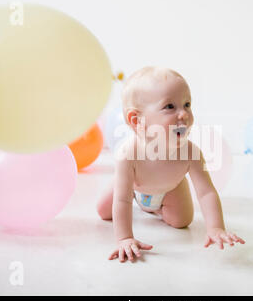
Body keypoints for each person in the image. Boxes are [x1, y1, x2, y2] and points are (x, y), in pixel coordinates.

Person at [97, 66, 245, 263]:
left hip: (170, 189)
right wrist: (124, 238)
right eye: (170, 107)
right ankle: (140, 200)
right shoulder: (128, 154)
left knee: (181, 221)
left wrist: (215, 227)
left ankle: (155, 208)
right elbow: (122, 200)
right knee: (104, 211)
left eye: (187, 104)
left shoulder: (190, 153)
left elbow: (206, 192)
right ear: (136, 119)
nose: (183, 114)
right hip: (133, 186)